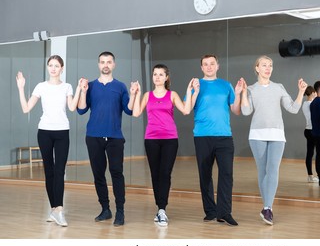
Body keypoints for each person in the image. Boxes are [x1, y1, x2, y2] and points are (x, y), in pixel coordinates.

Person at [16, 55, 82, 227]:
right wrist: (21, 88)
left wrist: (80, 89)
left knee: (59, 171)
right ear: (48, 67)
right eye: (50, 65)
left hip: (62, 132)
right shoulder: (41, 86)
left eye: (56, 65)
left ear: (62, 68)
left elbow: (72, 107)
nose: (53, 68)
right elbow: (26, 108)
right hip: (44, 132)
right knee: (49, 171)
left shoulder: (67, 87)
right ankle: (55, 209)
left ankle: (58, 210)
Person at [241, 55, 307, 225]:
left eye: (270, 65)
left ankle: (268, 208)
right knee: (263, 171)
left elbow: (293, 108)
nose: (268, 68)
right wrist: (242, 93)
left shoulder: (279, 87)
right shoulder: (250, 89)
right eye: (264, 65)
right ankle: (266, 206)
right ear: (257, 68)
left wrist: (300, 92)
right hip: (257, 135)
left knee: (273, 170)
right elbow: (246, 112)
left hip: (277, 135)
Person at [132, 64, 199, 227]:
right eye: (155, 74)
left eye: (161, 74)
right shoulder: (147, 95)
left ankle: (162, 209)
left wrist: (192, 92)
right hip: (151, 139)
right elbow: (135, 113)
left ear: (166, 77)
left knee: (165, 173)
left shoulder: (172, 95)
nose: (157, 77)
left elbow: (186, 110)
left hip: (170, 139)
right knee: (155, 174)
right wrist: (137, 94)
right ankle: (160, 208)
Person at [77, 51, 138, 227]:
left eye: (109, 62)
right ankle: (105, 209)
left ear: (114, 64)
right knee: (98, 175)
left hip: (115, 137)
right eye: (102, 62)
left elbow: (129, 110)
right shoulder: (90, 85)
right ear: (98, 64)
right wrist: (82, 91)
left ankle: (120, 212)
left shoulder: (120, 86)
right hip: (93, 136)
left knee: (116, 173)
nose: (106, 64)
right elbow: (81, 110)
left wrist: (133, 94)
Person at [190, 54, 243, 226]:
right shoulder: (196, 85)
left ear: (217, 66)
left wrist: (239, 93)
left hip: (224, 136)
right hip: (202, 136)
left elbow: (236, 110)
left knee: (226, 174)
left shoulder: (225, 85)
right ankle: (211, 211)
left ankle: (224, 212)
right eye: (205, 64)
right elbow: (188, 108)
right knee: (205, 175)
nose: (209, 66)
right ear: (201, 67)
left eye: (212, 63)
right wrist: (194, 91)